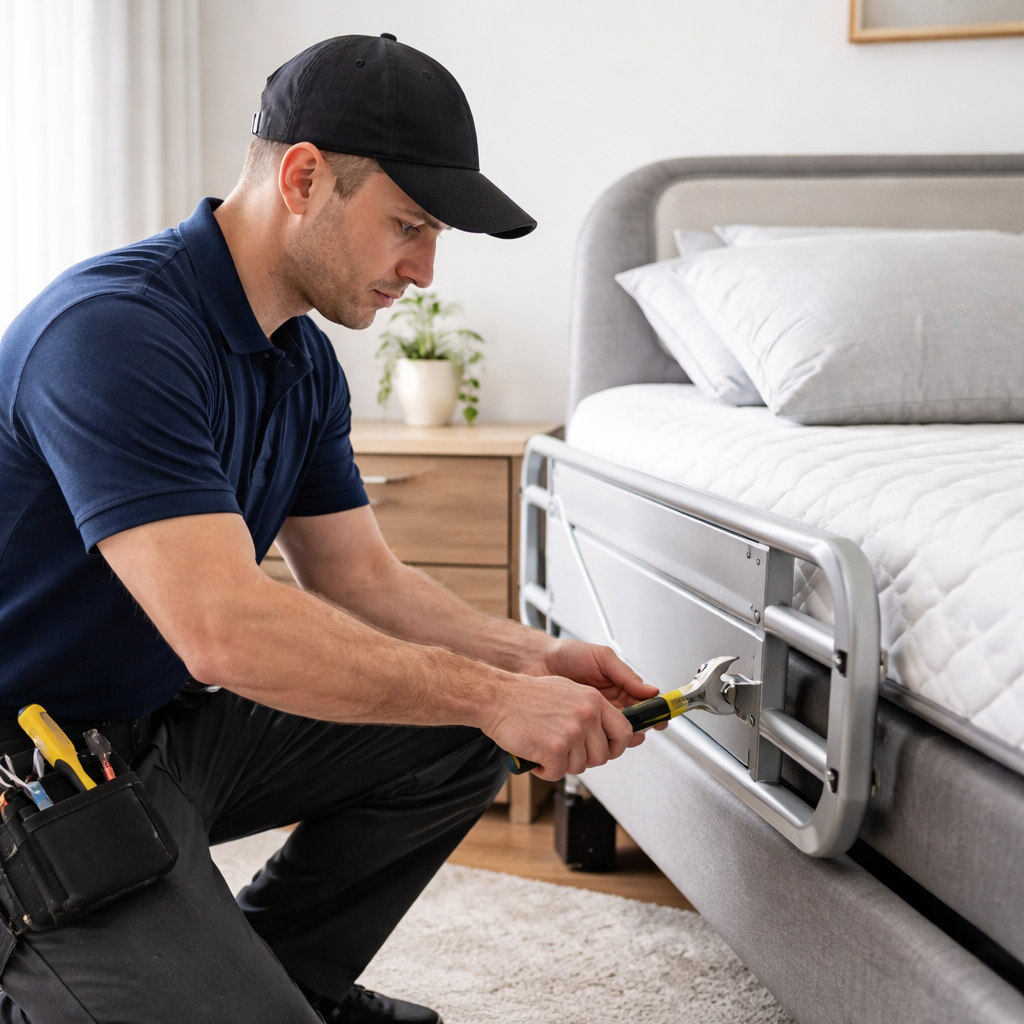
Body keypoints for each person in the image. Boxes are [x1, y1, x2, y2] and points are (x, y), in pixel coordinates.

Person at [0, 34, 658, 1024]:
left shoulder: (300, 362)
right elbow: (224, 627)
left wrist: (530, 661)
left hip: (163, 731)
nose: (424, 270)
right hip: (32, 770)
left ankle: (293, 975)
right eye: (409, 225)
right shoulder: (114, 332)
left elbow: (361, 580)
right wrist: (492, 692)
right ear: (304, 177)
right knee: (474, 704)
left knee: (462, 732)